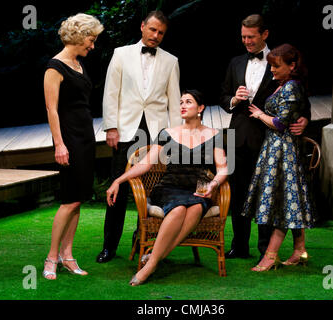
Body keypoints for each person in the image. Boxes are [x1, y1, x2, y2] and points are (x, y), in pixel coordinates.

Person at [106, 90, 228, 285]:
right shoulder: (167, 133)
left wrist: (213, 184)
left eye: (188, 102)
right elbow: (145, 164)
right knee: (179, 208)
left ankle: (153, 259)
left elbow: (222, 169)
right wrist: (118, 180)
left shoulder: (215, 135)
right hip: (170, 186)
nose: (183, 105)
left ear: (200, 108)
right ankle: (153, 263)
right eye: (181, 102)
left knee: (196, 207)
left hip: (200, 187)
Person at [219, 14, 310, 261]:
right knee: (238, 193)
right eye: (243, 37)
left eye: (251, 37)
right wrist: (234, 100)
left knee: (265, 195)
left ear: (264, 34)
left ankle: (264, 249)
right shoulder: (235, 62)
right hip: (238, 137)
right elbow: (223, 97)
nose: (246, 41)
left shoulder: (279, 61)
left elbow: (302, 104)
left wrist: (305, 120)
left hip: (269, 140)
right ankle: (239, 245)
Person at [97, 10, 182, 263]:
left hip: (156, 133)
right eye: (153, 30)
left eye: (161, 33)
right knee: (119, 187)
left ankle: (143, 243)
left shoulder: (171, 61)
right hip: (124, 130)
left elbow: (175, 103)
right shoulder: (120, 54)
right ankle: (109, 247)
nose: (156, 36)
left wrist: (175, 137)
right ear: (142, 27)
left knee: (150, 191)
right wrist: (111, 127)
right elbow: (111, 92)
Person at [242, 43, 315, 272]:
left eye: (276, 66)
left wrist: (260, 114)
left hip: (284, 151)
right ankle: (299, 249)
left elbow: (282, 124)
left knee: (282, 202)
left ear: (292, 66)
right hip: (275, 149)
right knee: (288, 199)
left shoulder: (292, 86)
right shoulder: (283, 84)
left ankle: (271, 255)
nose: (271, 70)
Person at [42, 13, 104, 280]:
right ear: (79, 37)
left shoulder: (79, 65)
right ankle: (51, 258)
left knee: (78, 200)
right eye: (91, 40)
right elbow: (51, 109)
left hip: (85, 137)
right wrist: (59, 145)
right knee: (69, 201)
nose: (93, 45)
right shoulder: (54, 67)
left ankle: (68, 256)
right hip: (68, 139)